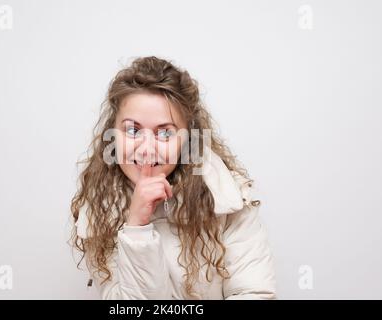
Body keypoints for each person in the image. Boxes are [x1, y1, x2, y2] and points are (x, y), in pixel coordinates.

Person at [70, 56, 277, 299]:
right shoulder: (100, 211)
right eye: (133, 130)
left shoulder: (227, 197)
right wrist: (137, 226)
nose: (146, 149)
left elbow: (253, 293)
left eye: (165, 133)